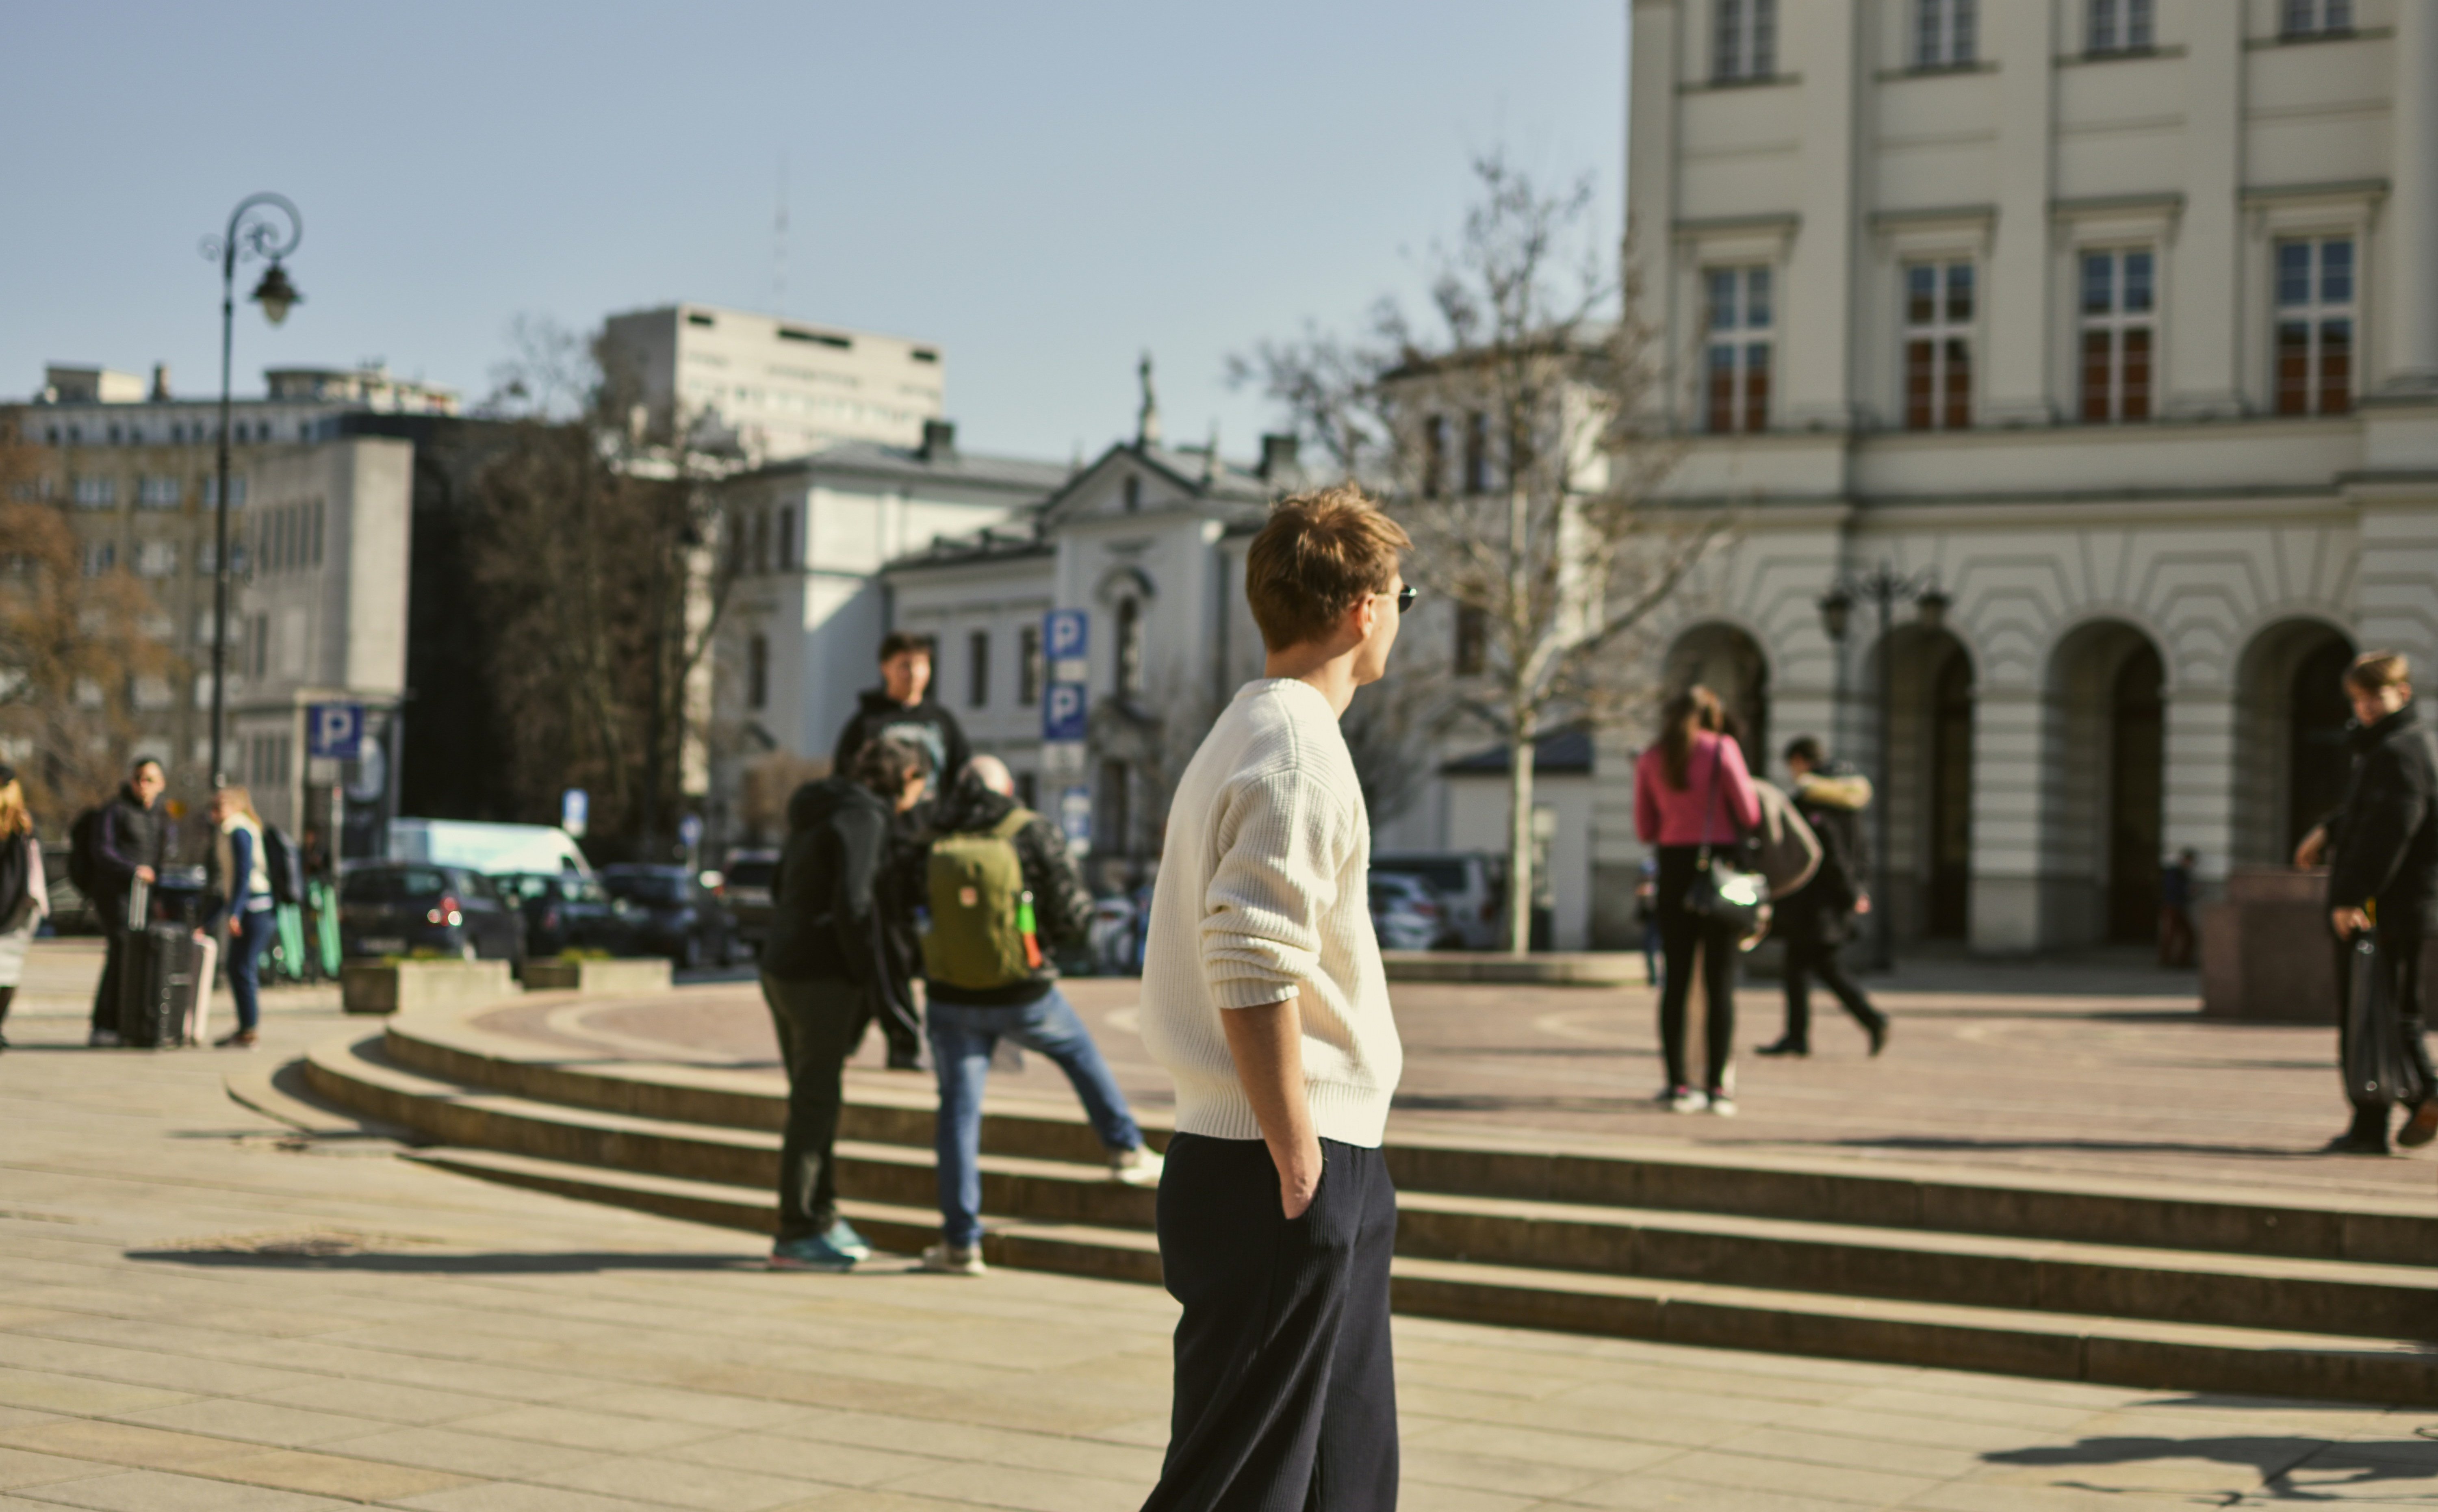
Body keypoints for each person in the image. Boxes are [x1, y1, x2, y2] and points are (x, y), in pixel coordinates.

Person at [1135, 484, 1410, 1512]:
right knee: (1238, 1483)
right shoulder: (1295, 749)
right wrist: (1298, 1156)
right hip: (1281, 1156)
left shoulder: (1250, 730)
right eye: (1400, 594)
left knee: (1344, 1471)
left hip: (1282, 1153)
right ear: (1365, 609)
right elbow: (1249, 955)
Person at [918, 755, 1163, 1276]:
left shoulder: (935, 830)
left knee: (959, 1113)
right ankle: (1125, 1149)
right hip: (1024, 990)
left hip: (951, 996)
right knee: (1079, 1054)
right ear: (1007, 787)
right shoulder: (1030, 831)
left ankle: (961, 1242)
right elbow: (1073, 915)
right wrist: (1041, 946)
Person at [758, 736, 929, 1269]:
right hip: (821, 976)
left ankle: (822, 1214)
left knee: (813, 1095)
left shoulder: (820, 809)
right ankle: (797, 1231)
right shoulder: (865, 817)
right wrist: (866, 977)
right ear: (905, 780)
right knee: (815, 1102)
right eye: (922, 782)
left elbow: (778, 882)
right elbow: (855, 903)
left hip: (781, 966)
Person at [2319, 652, 2438, 1155]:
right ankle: (2372, 1124)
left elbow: (2390, 830)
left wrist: (2352, 896)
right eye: (2359, 698)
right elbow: (2374, 816)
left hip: (2386, 909)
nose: (2366, 707)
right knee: (2379, 1015)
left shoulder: (2397, 751)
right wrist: (2329, 829)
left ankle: (2426, 1095)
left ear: (2403, 695)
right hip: (2394, 908)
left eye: (2376, 696)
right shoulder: (2392, 748)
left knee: (2384, 1014)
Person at [834, 631, 971, 1071]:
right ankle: (903, 1042)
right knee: (887, 949)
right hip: (883, 854)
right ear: (885, 668)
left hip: (931, 856)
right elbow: (846, 790)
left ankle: (850, 1033)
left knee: (921, 952)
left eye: (921, 666)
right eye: (903, 666)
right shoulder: (865, 724)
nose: (913, 675)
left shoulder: (944, 723)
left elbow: (961, 786)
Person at [1633, 686, 1761, 1115]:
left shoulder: (1652, 757)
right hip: (1720, 870)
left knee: (1676, 982)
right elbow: (1749, 812)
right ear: (1713, 715)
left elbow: (1644, 826)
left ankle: (1677, 1085)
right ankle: (1717, 1088)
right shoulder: (1723, 750)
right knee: (1720, 982)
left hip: (1673, 871)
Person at [1758, 737, 1889, 1059]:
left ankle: (1869, 1019)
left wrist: (1849, 891)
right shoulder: (1848, 797)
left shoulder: (1812, 802)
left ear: (1801, 761)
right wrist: (1859, 888)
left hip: (1815, 901)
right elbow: (1860, 848)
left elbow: (1829, 853)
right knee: (1806, 968)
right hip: (1834, 898)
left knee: (1820, 968)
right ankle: (1799, 1035)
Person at [87, 757, 170, 1048]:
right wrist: (133, 869)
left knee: (139, 954)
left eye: (150, 780)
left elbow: (159, 857)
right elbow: (102, 849)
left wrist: (157, 890)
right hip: (116, 894)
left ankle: (130, 1020)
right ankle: (105, 1022)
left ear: (161, 784)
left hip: (144, 896)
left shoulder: (158, 815)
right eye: (138, 778)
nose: (143, 785)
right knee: (122, 949)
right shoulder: (116, 810)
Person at [201, 786, 276, 1050]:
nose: (214, 813)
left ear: (235, 806)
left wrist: (235, 912)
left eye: (219, 806)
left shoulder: (239, 831)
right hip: (250, 907)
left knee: (242, 967)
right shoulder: (230, 831)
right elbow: (228, 881)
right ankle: (246, 1027)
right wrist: (208, 920)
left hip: (255, 908)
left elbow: (243, 874)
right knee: (237, 967)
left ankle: (249, 1030)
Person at [0, 766, 49, 1052]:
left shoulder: (23, 827)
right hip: (17, 909)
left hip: (16, 911)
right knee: (7, 974)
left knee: (9, 973)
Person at [2159, 848, 2198, 968]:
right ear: (2185, 860)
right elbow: (2172, 889)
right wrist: (2187, 891)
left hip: (2178, 907)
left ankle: (2180, 960)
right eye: (2190, 862)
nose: (2191, 865)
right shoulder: (2175, 872)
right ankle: (2168, 961)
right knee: (2171, 934)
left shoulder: (2182, 873)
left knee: (2187, 935)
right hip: (2172, 907)